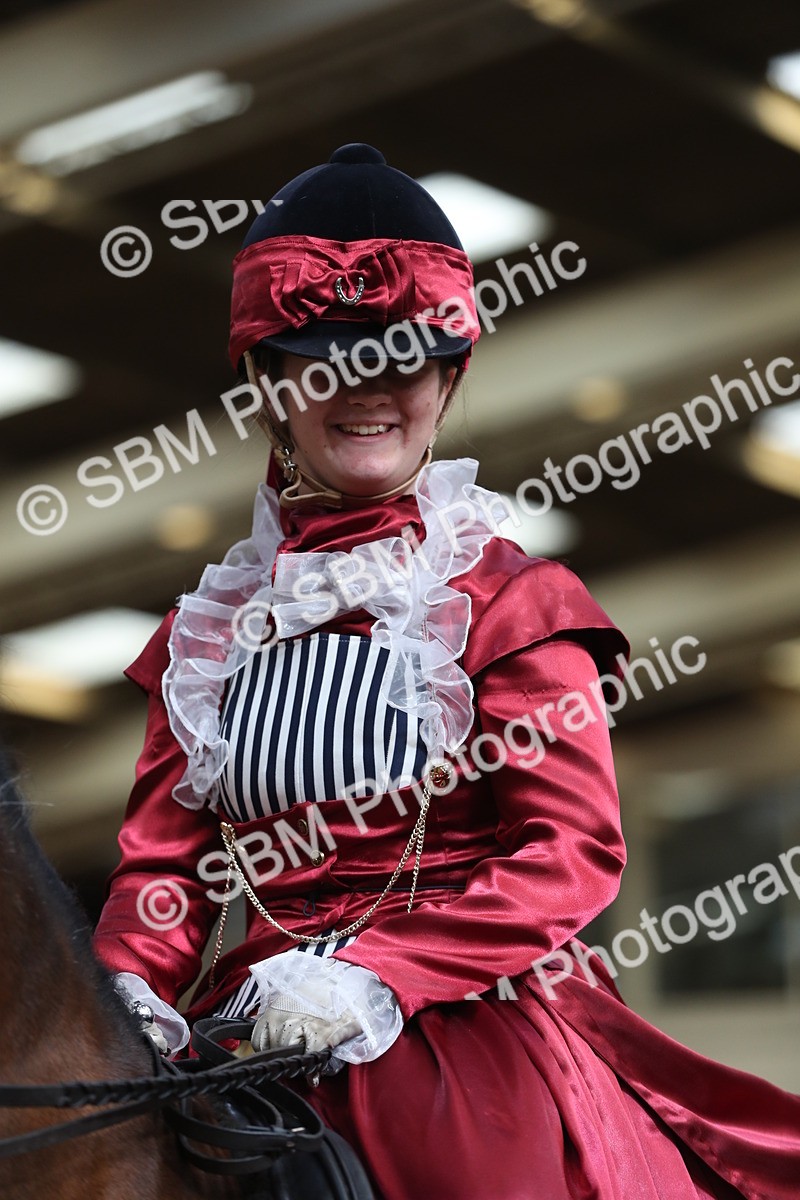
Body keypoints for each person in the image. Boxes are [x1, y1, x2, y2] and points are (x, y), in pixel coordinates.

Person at [93, 143, 800, 1199]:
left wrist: (378, 974)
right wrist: (125, 989)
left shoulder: (512, 602)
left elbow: (568, 852)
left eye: (405, 362)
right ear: (267, 383)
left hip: (457, 1020)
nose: (368, 393)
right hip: (251, 1034)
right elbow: (164, 873)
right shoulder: (207, 632)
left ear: (449, 377)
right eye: (326, 364)